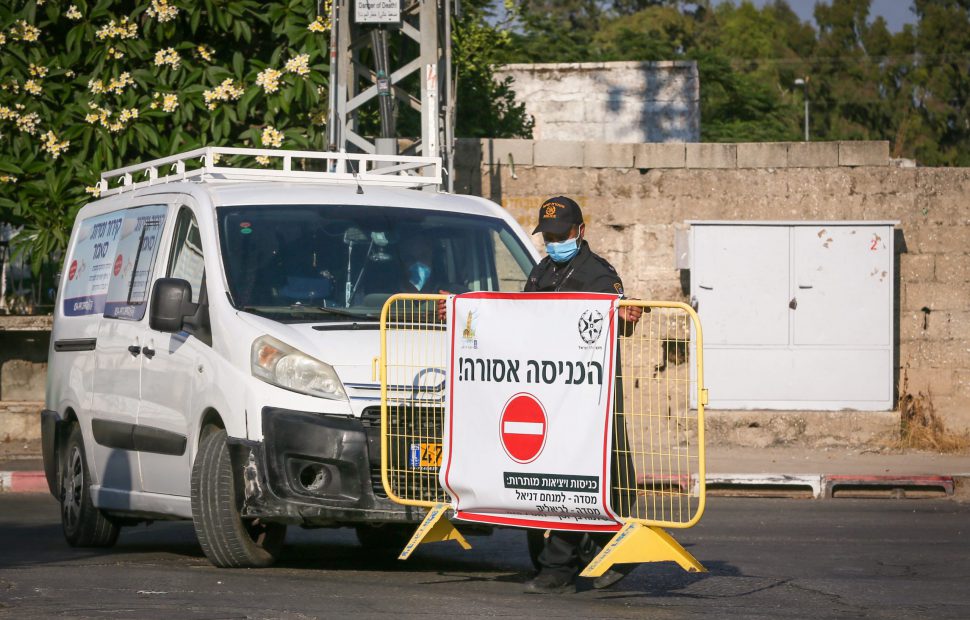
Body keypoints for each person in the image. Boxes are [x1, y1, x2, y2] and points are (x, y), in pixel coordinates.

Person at [523, 196, 643, 594]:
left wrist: (625, 316)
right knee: (555, 476)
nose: (554, 241)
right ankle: (594, 554)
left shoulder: (598, 274)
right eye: (549, 236)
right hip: (549, 394)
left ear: (581, 232)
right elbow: (518, 321)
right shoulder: (541, 271)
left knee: (592, 476)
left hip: (592, 398)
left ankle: (560, 565)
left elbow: (619, 321)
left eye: (561, 234)